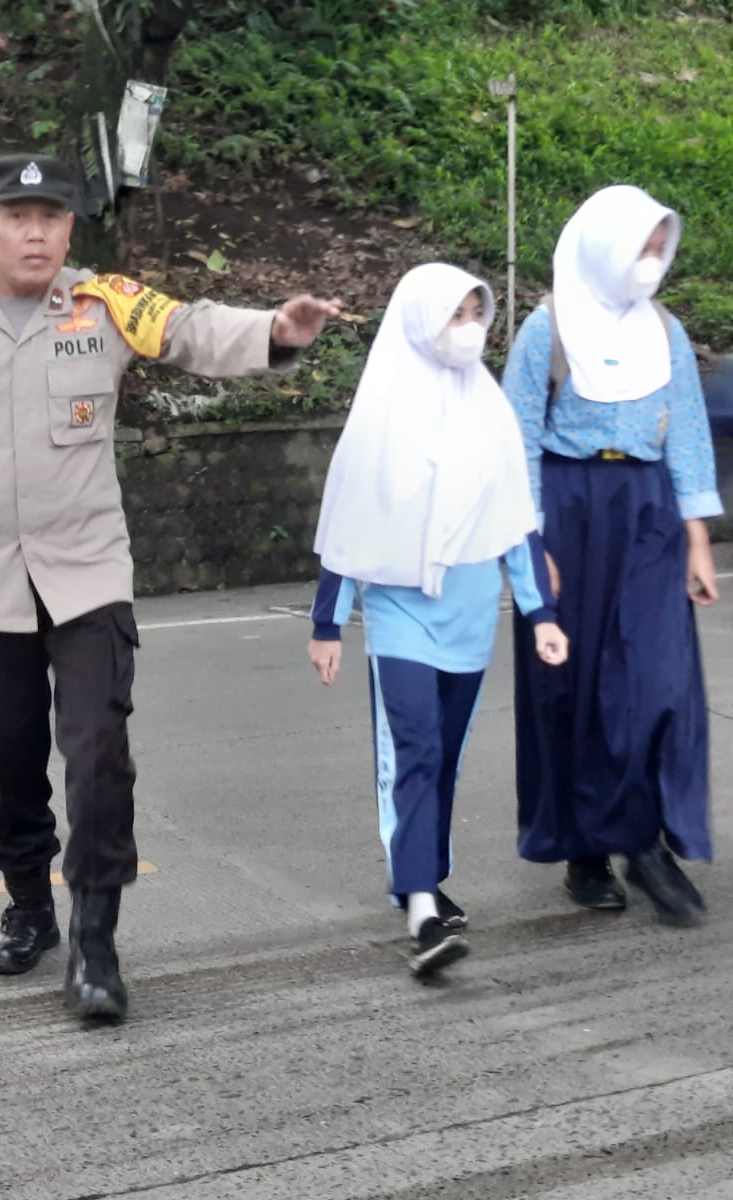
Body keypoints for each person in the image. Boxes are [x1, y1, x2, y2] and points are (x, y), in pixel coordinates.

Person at [0, 154, 339, 1021]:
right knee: (7, 764)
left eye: (51, 218)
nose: (36, 234)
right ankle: (29, 906)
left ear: (69, 230)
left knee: (98, 757)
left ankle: (96, 942)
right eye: (17, 218)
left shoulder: (106, 303)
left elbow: (190, 328)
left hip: (88, 576)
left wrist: (275, 330)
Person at [307, 264, 569, 977]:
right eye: (455, 315)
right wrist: (328, 624)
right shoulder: (381, 411)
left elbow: (516, 520)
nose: (468, 329)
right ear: (422, 319)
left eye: (476, 314)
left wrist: (541, 614)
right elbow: (347, 522)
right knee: (415, 749)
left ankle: (425, 875)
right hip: (399, 612)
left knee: (443, 756)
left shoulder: (490, 409)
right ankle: (421, 908)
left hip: (472, 616)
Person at [503, 185, 721, 928]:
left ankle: (647, 838)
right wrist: (530, 543)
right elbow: (516, 439)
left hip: (649, 509)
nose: (652, 260)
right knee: (571, 683)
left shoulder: (665, 331)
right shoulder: (547, 329)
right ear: (604, 248)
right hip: (567, 509)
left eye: (661, 247)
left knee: (657, 679)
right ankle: (584, 850)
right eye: (641, 246)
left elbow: (686, 430)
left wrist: (698, 537)